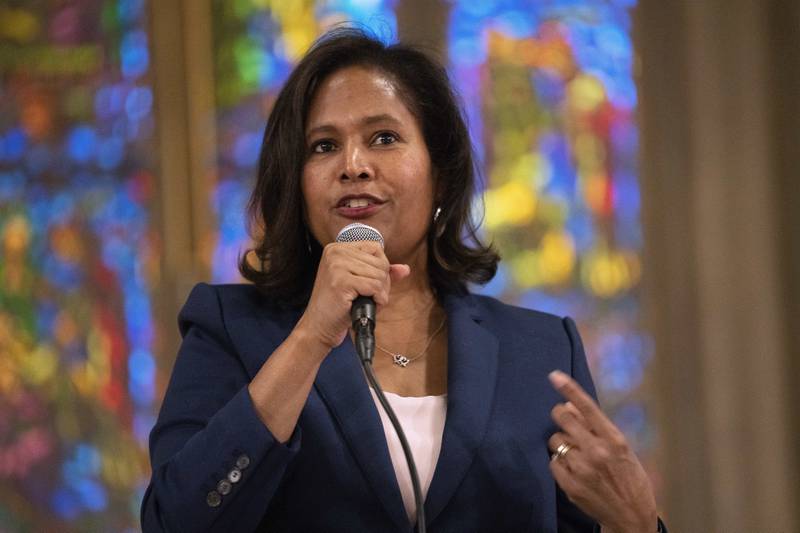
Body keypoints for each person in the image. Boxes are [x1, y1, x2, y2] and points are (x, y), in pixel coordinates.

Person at [141, 28, 665, 533]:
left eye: (384, 138)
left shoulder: (542, 351)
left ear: (441, 172)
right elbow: (175, 519)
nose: (353, 165)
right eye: (323, 146)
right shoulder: (232, 329)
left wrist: (637, 524)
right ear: (296, 184)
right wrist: (310, 338)